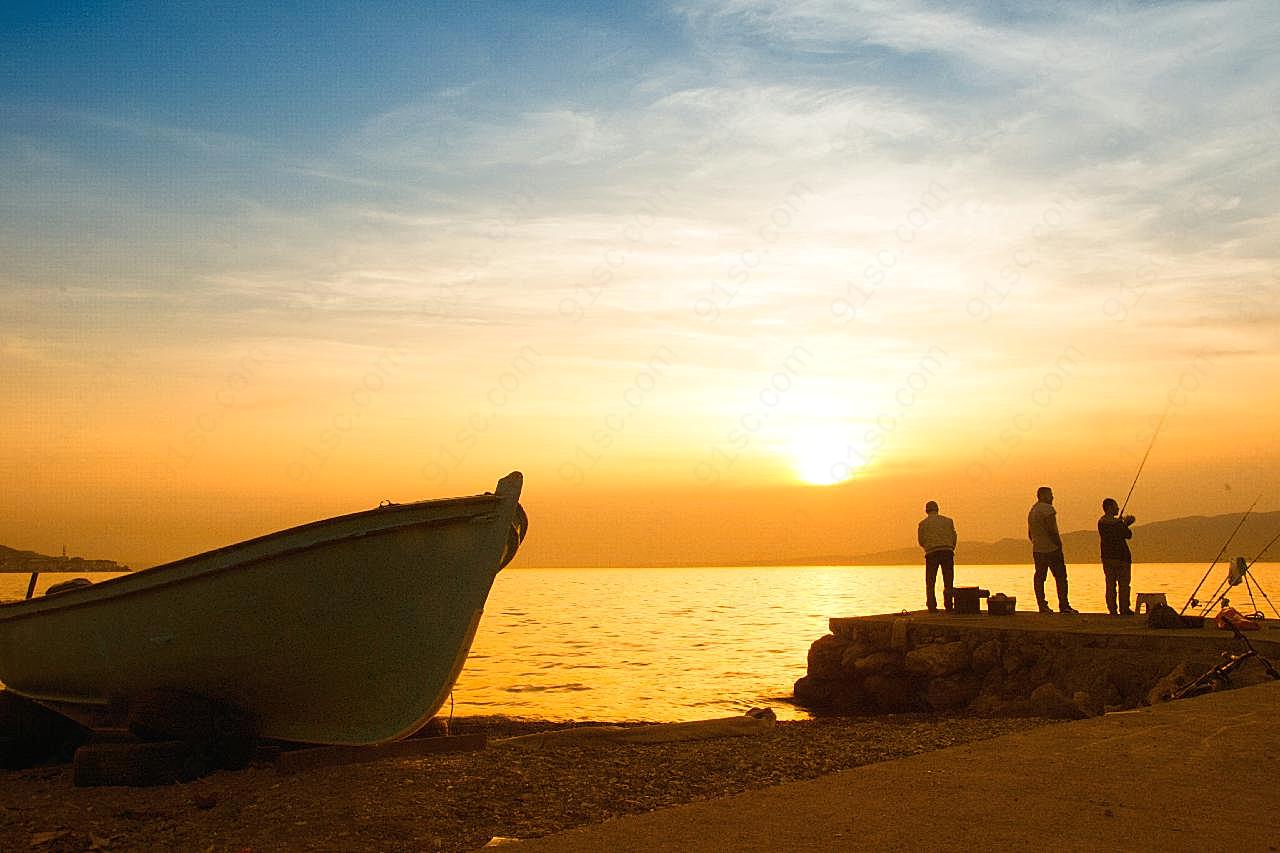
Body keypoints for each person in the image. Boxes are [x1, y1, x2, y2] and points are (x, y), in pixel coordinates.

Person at [1027, 486, 1077, 614]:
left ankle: (1042, 605)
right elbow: (1052, 529)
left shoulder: (1033, 510)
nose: (1052, 497)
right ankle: (1064, 605)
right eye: (1050, 495)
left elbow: (1030, 533)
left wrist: (1037, 542)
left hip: (1038, 550)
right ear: (1043, 496)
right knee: (1060, 577)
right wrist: (1058, 544)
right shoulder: (1047, 509)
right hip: (1051, 549)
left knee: (1040, 577)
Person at [917, 500, 957, 612]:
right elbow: (954, 536)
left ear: (926, 510)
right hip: (947, 551)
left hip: (931, 553)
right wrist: (951, 546)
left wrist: (928, 546)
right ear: (937, 509)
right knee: (948, 581)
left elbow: (921, 541)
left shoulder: (922, 524)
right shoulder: (949, 521)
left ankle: (932, 605)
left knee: (930, 581)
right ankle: (949, 605)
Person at [1098, 498, 1135, 615]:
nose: (1118, 508)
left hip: (1107, 558)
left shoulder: (1101, 522)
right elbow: (1128, 535)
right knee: (1124, 585)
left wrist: (1122, 523)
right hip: (1121, 558)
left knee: (1110, 585)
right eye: (1115, 506)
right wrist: (1126, 524)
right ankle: (1124, 609)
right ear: (1109, 508)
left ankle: (1112, 609)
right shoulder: (1118, 523)